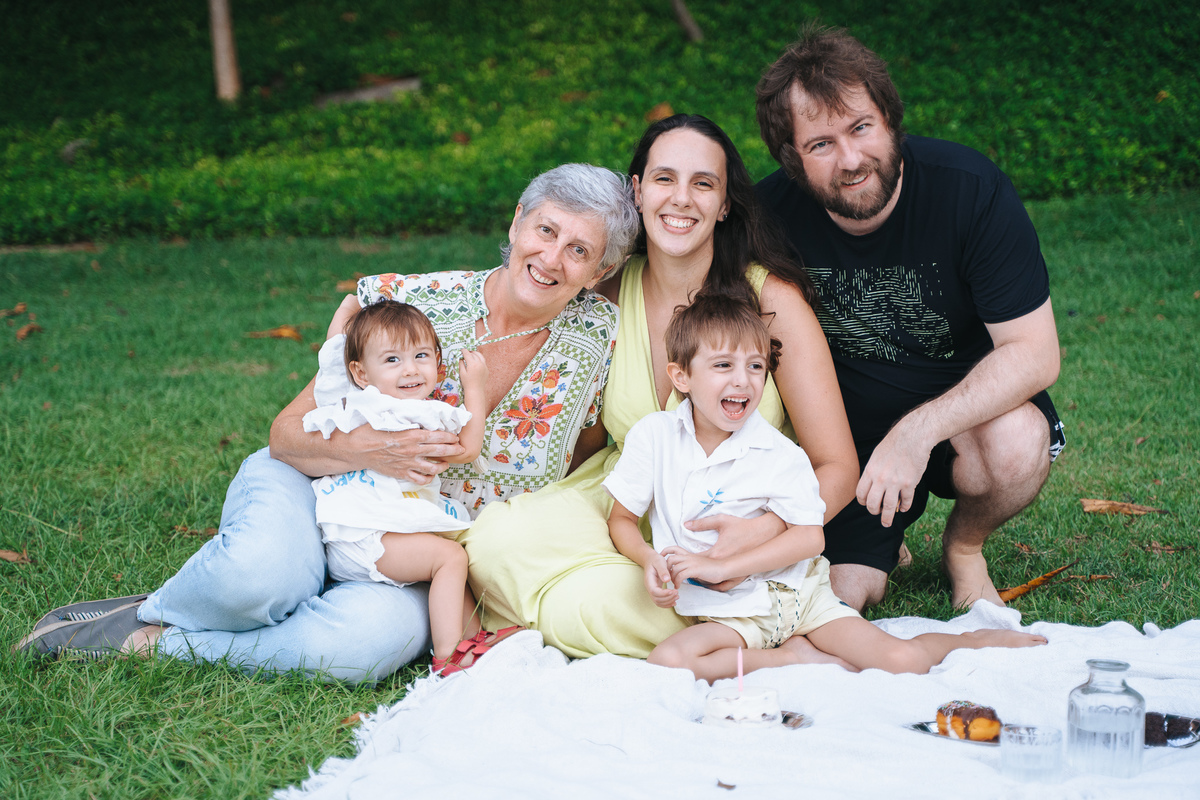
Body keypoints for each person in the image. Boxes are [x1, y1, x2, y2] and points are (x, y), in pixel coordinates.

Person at [18, 163, 637, 683]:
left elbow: (578, 467)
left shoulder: (598, 345)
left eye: (579, 250)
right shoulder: (409, 301)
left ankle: (155, 640)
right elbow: (287, 434)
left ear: (600, 273)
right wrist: (371, 449)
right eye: (545, 230)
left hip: (416, 550)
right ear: (517, 222)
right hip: (318, 485)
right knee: (253, 579)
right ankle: (157, 607)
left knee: (359, 649)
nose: (551, 257)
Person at [459, 114, 860, 660]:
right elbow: (579, 425)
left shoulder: (770, 302)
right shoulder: (604, 293)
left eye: (703, 183)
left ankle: (742, 627)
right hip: (628, 499)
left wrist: (767, 530)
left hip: (729, 524)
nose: (681, 198)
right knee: (491, 544)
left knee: (609, 602)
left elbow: (837, 466)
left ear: (725, 204)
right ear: (638, 191)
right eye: (664, 178)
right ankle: (708, 625)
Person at [754, 24, 1065, 612]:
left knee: (1020, 442)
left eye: (861, 127)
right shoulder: (767, 217)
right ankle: (881, 542)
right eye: (820, 145)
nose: (850, 160)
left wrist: (916, 433)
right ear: (791, 158)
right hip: (848, 445)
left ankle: (964, 546)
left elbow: (1036, 353)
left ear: (890, 119)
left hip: (962, 422)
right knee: (843, 596)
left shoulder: (969, 191)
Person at [605, 296, 1046, 683]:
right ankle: (791, 659)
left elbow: (810, 538)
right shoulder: (655, 438)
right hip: (732, 614)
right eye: (723, 365)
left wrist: (724, 567)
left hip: (799, 597)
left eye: (755, 366)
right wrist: (649, 560)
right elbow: (622, 519)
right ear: (681, 376)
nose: (742, 380)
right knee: (668, 661)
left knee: (904, 661)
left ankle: (973, 639)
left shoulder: (778, 452)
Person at [303, 299, 520, 676]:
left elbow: (334, 355)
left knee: (452, 558)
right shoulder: (420, 413)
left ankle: (472, 639)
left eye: (421, 355)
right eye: (392, 360)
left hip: (352, 533)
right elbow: (468, 449)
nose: (410, 369)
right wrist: (475, 387)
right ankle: (448, 656)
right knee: (450, 558)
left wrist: (348, 306)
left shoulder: (350, 400)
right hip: (369, 537)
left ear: (437, 361)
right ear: (361, 372)